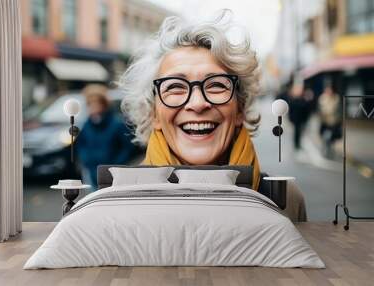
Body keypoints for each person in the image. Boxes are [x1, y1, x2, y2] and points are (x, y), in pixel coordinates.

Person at [120, 10, 306, 221]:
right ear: (153, 113)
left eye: (217, 85)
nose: (198, 103)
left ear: (240, 109)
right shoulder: (117, 202)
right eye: (175, 87)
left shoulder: (286, 200)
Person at [76, 84, 136, 189]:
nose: (93, 107)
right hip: (92, 173)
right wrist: (87, 160)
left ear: (104, 104)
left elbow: (127, 148)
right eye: (90, 104)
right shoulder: (86, 125)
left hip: (114, 176)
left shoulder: (117, 124)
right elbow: (81, 145)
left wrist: (116, 165)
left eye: (96, 103)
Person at [287, 80, 314, 151]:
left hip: (301, 118)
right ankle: (296, 144)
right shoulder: (293, 99)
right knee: (297, 132)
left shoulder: (303, 99)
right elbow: (291, 110)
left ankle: (298, 143)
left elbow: (307, 108)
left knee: (300, 132)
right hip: (296, 119)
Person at [318, 85, 341, 158]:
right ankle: (326, 147)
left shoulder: (336, 98)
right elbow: (320, 110)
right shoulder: (322, 99)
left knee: (332, 137)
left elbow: (338, 110)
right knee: (325, 136)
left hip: (333, 122)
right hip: (324, 122)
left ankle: (330, 149)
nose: (328, 92)